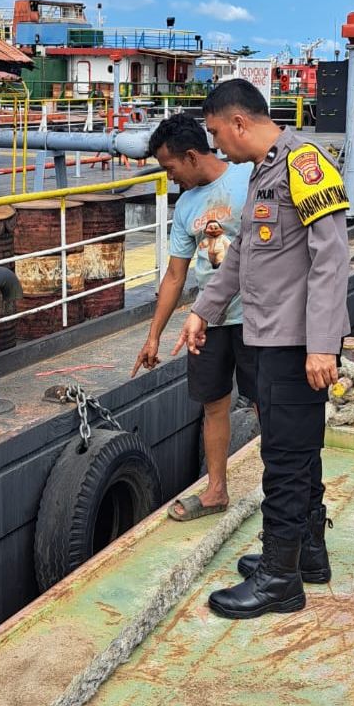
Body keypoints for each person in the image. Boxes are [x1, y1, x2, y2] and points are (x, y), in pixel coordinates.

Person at [172, 78, 352, 620]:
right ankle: (307, 556)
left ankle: (280, 580)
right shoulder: (264, 174)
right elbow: (245, 258)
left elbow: (332, 260)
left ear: (240, 123)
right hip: (270, 337)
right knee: (295, 449)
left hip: (297, 344)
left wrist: (322, 346)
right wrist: (201, 312)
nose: (216, 145)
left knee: (286, 459)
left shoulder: (304, 165)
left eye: (216, 132)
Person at [131, 112, 255, 521]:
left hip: (258, 317)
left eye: (170, 168)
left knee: (268, 404)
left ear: (189, 156)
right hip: (209, 320)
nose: (169, 179)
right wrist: (153, 337)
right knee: (213, 405)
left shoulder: (247, 179)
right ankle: (217, 491)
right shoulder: (186, 207)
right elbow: (174, 275)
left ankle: (279, 488)